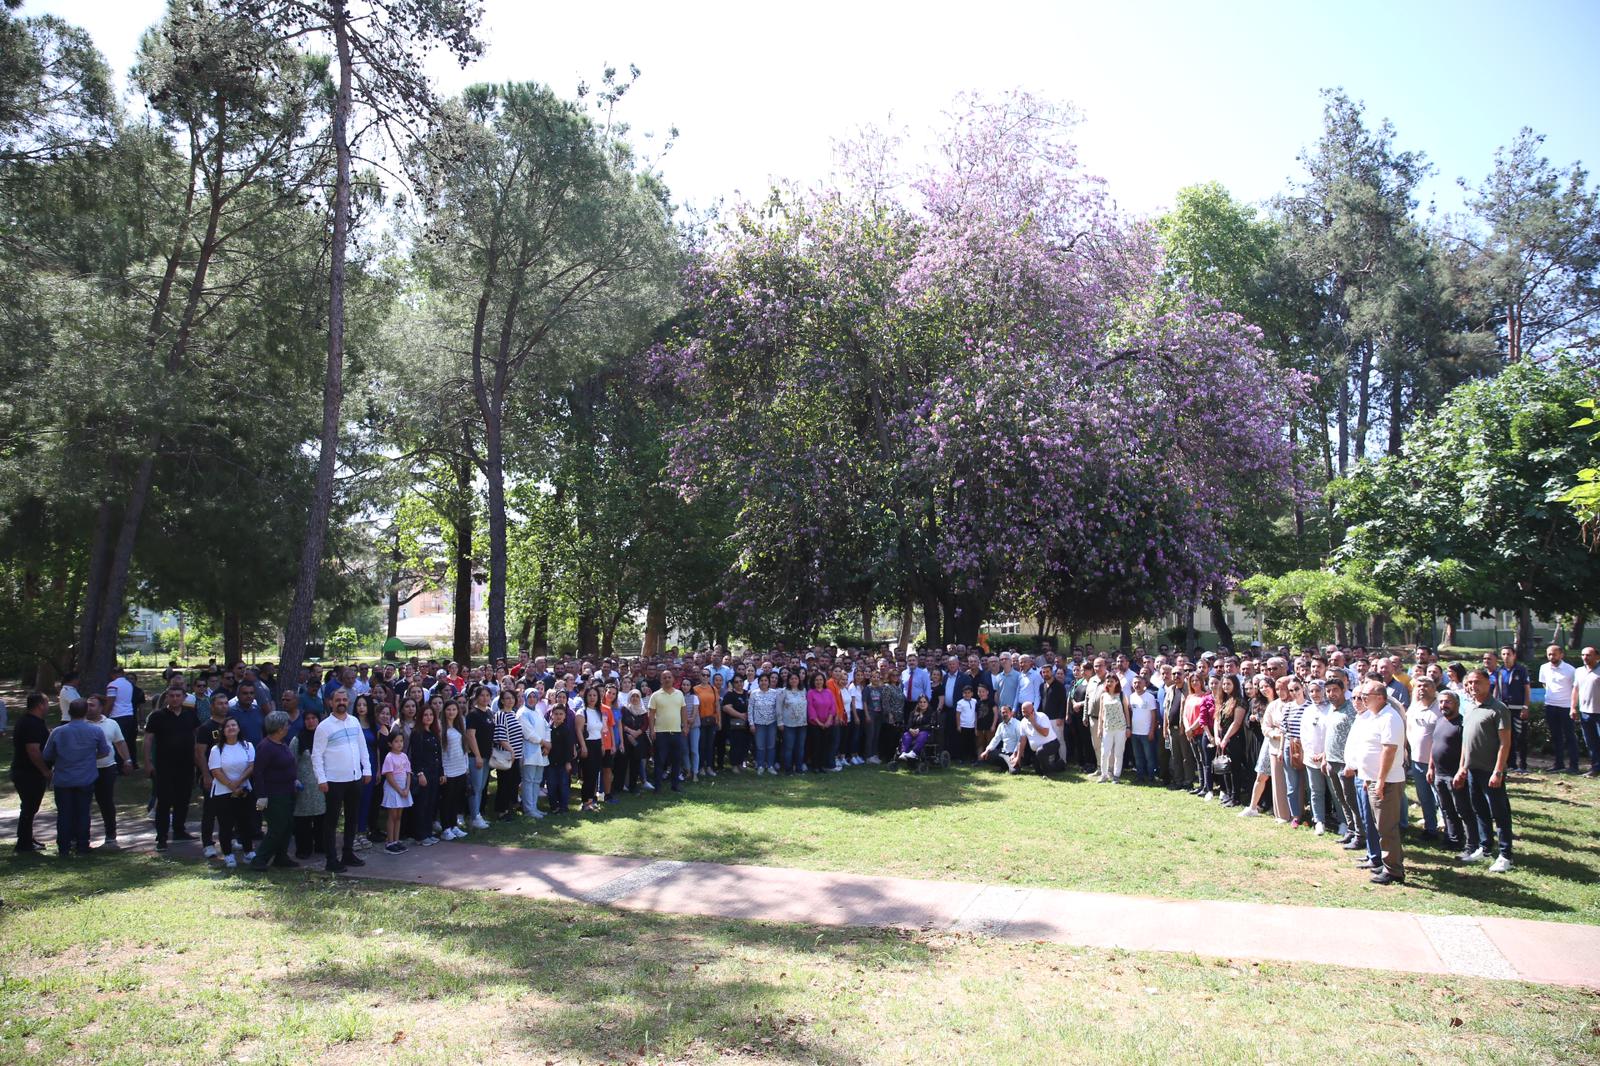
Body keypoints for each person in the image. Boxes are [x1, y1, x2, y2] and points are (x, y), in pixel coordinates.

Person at [1345, 682, 1406, 885]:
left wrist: (1379, 780)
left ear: (1380, 697)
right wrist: (1366, 776)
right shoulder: (1373, 717)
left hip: (1386, 781)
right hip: (1372, 779)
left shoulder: (1390, 718)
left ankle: (1394, 870)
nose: (1361, 699)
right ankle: (1387, 863)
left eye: (1366, 696)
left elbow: (1389, 750)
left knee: (1386, 827)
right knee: (1380, 825)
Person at [1459, 669, 1515, 872]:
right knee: (1480, 810)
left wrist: (1498, 771)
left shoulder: (1498, 709)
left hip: (1491, 771)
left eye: (1478, 682)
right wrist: (1462, 768)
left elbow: (1505, 743)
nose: (1473, 686)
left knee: (1499, 813)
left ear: (1488, 683)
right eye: (1470, 683)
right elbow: (1466, 742)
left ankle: (1506, 855)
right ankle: (1485, 848)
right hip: (1472, 769)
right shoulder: (1471, 707)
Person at [311, 688, 372, 874]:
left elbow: (362, 748)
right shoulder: (324, 727)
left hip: (355, 778)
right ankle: (331, 859)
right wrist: (321, 779)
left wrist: (367, 770)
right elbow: (316, 755)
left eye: (345, 699)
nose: (342, 702)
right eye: (338, 699)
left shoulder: (354, 722)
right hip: (334, 780)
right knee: (331, 821)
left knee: (352, 818)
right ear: (331, 702)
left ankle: (348, 853)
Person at [43, 698, 111, 857]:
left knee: (64, 814)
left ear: (69, 712)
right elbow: (104, 751)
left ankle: (64, 848)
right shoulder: (95, 731)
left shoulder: (58, 732)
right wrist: (90, 756)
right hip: (85, 777)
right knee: (83, 813)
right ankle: (82, 846)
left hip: (63, 779)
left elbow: (47, 754)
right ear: (85, 711)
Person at [144, 687, 199, 850]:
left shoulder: (190, 715)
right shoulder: (157, 716)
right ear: (166, 697)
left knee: (183, 799)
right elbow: (148, 740)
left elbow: (197, 736)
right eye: (172, 696)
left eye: (178, 696)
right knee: (164, 801)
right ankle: (161, 836)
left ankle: (179, 830)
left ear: (183, 698)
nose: (175, 699)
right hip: (164, 766)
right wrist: (148, 762)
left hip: (187, 764)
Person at [1428, 690, 1478, 860]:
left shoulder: (1462, 724)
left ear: (1456, 704)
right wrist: (1430, 768)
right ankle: (1453, 839)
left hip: (1455, 775)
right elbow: (1434, 745)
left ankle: (1472, 845)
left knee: (1463, 810)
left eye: (1448, 702)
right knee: (1446, 809)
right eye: (1441, 702)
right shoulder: (1440, 721)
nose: (1444, 705)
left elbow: (1468, 750)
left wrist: (1461, 771)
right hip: (1439, 775)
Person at [250, 711, 299, 869]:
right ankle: (260, 859)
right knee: (277, 828)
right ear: (279, 728)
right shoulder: (266, 747)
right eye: (286, 725)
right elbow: (258, 772)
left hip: (288, 791)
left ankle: (281, 857)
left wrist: (294, 780)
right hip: (274, 794)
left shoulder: (281, 743)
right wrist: (262, 796)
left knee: (287, 826)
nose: (288, 727)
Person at [84, 694, 133, 851]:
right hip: (85, 769)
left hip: (106, 769)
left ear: (100, 707)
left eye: (92, 705)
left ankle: (110, 836)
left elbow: (120, 743)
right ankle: (82, 838)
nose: (88, 707)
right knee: (83, 804)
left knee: (106, 803)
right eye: (87, 704)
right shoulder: (79, 723)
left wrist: (127, 760)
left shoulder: (111, 723)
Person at [207, 718, 256, 869]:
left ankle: (248, 852)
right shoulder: (217, 750)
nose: (231, 728)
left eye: (234, 725)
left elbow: (251, 766)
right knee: (226, 825)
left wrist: (239, 782)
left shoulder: (248, 746)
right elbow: (216, 770)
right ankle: (228, 855)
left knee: (246, 822)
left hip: (244, 790)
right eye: (227, 726)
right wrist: (231, 785)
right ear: (223, 730)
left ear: (239, 728)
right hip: (223, 792)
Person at [11, 693, 53, 854]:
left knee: (30, 807)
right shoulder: (31, 724)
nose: (48, 706)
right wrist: (45, 770)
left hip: (26, 771)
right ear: (40, 705)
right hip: (28, 772)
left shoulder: (30, 721)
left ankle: (27, 838)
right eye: (47, 703)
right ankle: (23, 844)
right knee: (29, 807)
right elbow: (33, 750)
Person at [1404, 677, 1441, 840]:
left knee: (1441, 799)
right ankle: (1430, 828)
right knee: (1424, 797)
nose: (1422, 689)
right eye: (1419, 686)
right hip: (1417, 760)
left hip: (1438, 762)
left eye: (1426, 686)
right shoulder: (1414, 707)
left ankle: (1451, 830)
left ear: (1433, 688)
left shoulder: (1440, 707)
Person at [1538, 644, 1579, 774]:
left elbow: (1575, 688)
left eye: (1554, 654)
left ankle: (1574, 765)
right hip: (1550, 705)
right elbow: (1544, 684)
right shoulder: (1544, 668)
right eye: (1549, 654)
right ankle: (1559, 763)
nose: (1551, 656)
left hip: (1566, 707)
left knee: (1570, 736)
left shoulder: (1570, 670)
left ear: (1561, 655)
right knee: (1556, 737)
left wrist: (1573, 706)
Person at [1490, 646, 1530, 773]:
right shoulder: (1500, 671)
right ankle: (1511, 763)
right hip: (1504, 709)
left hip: (1518, 708)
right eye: (1503, 654)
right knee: (1507, 737)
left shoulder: (1521, 670)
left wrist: (1526, 706)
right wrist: (1494, 703)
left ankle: (1523, 764)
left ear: (1514, 655)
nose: (1506, 656)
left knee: (1521, 736)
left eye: (1508, 654)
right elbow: (1496, 688)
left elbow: (1527, 690)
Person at [292, 708, 325, 860]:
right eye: (308, 719)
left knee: (321, 818)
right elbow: (291, 763)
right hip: (304, 786)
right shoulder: (297, 740)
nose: (311, 721)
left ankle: (321, 845)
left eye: (314, 718)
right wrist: (294, 780)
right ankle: (304, 849)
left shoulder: (325, 738)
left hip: (322, 785)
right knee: (303, 820)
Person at [408, 703, 443, 845]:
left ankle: (428, 832)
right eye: (426, 715)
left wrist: (441, 772)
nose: (428, 717)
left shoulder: (434, 732)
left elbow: (438, 754)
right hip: (424, 773)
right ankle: (420, 835)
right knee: (422, 804)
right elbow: (416, 757)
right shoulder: (417, 733)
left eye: (431, 715)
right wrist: (420, 773)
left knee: (431, 804)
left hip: (435, 773)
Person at [648, 669, 689, 792]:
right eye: (664, 677)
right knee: (660, 761)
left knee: (676, 760)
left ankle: (675, 786)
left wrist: (685, 726)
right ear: (661, 680)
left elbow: (683, 711)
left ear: (673, 679)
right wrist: (652, 730)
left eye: (669, 677)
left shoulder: (679, 694)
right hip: (661, 733)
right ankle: (658, 787)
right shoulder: (655, 695)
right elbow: (651, 714)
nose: (667, 679)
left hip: (676, 732)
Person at [490, 688, 525, 821]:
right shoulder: (501, 715)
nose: (510, 701)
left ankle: (510, 807)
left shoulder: (513, 713)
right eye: (507, 698)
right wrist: (511, 751)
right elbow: (500, 737)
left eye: (512, 698)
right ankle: (501, 811)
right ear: (502, 701)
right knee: (504, 784)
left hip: (515, 756)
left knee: (513, 783)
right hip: (505, 756)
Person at [380, 728, 413, 854]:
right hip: (393, 788)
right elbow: (389, 776)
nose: (399, 744)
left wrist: (406, 788)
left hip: (403, 788)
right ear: (390, 743)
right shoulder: (389, 757)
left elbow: (408, 773)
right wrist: (399, 790)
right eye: (396, 741)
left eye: (401, 741)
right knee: (392, 815)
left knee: (399, 816)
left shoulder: (404, 756)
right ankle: (390, 842)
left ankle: (397, 840)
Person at [1096, 675, 1130, 783]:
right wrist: (1099, 728)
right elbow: (1101, 713)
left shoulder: (1121, 695)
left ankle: (1116, 775)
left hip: (1120, 728)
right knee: (1105, 752)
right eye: (1108, 681)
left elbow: (1126, 712)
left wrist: (1128, 727)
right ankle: (1104, 775)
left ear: (1116, 682)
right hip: (1107, 728)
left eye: (1111, 681)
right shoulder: (1103, 696)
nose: (1109, 683)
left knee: (1118, 753)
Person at [1017, 702, 1063, 776]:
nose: (1025, 714)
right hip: (1037, 750)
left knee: (1040, 752)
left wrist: (1033, 722)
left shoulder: (1042, 716)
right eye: (1023, 712)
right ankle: (1059, 765)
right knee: (1038, 771)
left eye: (1027, 712)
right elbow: (1022, 740)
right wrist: (1018, 758)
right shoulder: (1023, 722)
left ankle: (1048, 773)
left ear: (1032, 711)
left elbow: (1045, 733)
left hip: (1052, 744)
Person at [748, 673, 780, 775]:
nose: (764, 682)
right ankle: (760, 765)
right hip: (758, 723)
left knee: (771, 746)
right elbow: (750, 709)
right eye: (761, 680)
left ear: (769, 682)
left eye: (766, 680)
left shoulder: (775, 693)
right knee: (760, 746)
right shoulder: (754, 693)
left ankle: (770, 765)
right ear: (758, 682)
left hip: (772, 723)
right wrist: (751, 723)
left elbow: (778, 709)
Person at [1575, 646, 1600, 778]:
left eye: (1588, 655)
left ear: (1597, 657)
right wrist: (1573, 707)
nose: (1585, 657)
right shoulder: (1579, 671)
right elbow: (1576, 689)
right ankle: (1595, 768)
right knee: (1591, 743)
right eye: (1583, 655)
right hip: (1585, 712)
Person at [777, 672, 808, 773]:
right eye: (792, 679)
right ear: (788, 680)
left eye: (796, 678)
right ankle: (788, 769)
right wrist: (780, 722)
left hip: (802, 724)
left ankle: (799, 768)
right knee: (789, 747)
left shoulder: (803, 691)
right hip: (788, 724)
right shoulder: (783, 692)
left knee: (800, 747)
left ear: (799, 680)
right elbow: (779, 708)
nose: (794, 680)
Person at [545, 703, 574, 814]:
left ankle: (563, 806)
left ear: (565, 716)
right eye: (556, 714)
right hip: (551, 762)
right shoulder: (549, 728)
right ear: (551, 715)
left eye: (561, 714)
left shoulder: (566, 730)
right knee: (551, 785)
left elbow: (569, 748)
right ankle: (553, 806)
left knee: (563, 785)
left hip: (563, 763)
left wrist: (568, 762)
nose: (558, 716)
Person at [978, 704, 1024, 772]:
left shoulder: (1018, 724)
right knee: (989, 754)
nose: (1004, 714)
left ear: (1011, 713)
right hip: (1004, 752)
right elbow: (995, 739)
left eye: (1006, 712)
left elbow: (1020, 741)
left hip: (1014, 753)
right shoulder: (1001, 725)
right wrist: (986, 751)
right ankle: (1006, 765)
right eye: (1003, 712)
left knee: (1014, 772)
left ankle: (1011, 765)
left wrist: (1015, 755)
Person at [894, 696, 934, 766]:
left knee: (922, 734)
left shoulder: (931, 713)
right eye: (920, 702)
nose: (922, 704)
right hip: (913, 732)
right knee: (906, 734)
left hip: (926, 732)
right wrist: (910, 729)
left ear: (928, 703)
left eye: (924, 702)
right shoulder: (913, 713)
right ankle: (903, 753)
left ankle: (913, 753)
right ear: (918, 703)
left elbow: (931, 725)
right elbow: (908, 725)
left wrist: (919, 729)